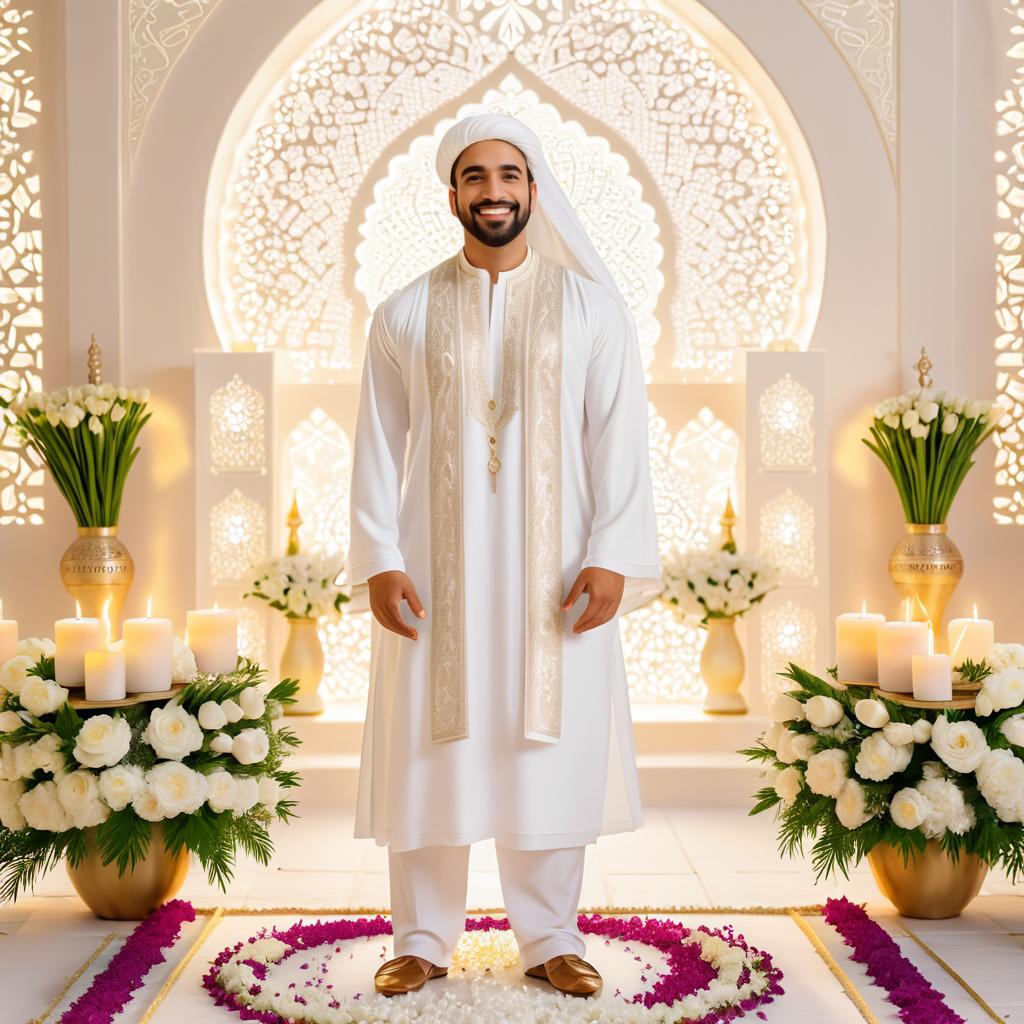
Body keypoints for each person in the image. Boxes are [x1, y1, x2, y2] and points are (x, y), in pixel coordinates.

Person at [345, 112, 660, 999]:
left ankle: (552, 937)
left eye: (510, 176)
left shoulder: (593, 309)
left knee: (545, 747)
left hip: (555, 577)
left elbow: (619, 444)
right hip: (434, 577)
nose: (494, 192)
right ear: (452, 194)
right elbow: (375, 444)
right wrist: (377, 554)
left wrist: (611, 554)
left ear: (533, 188)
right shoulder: (403, 313)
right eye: (476, 177)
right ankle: (421, 938)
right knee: (430, 750)